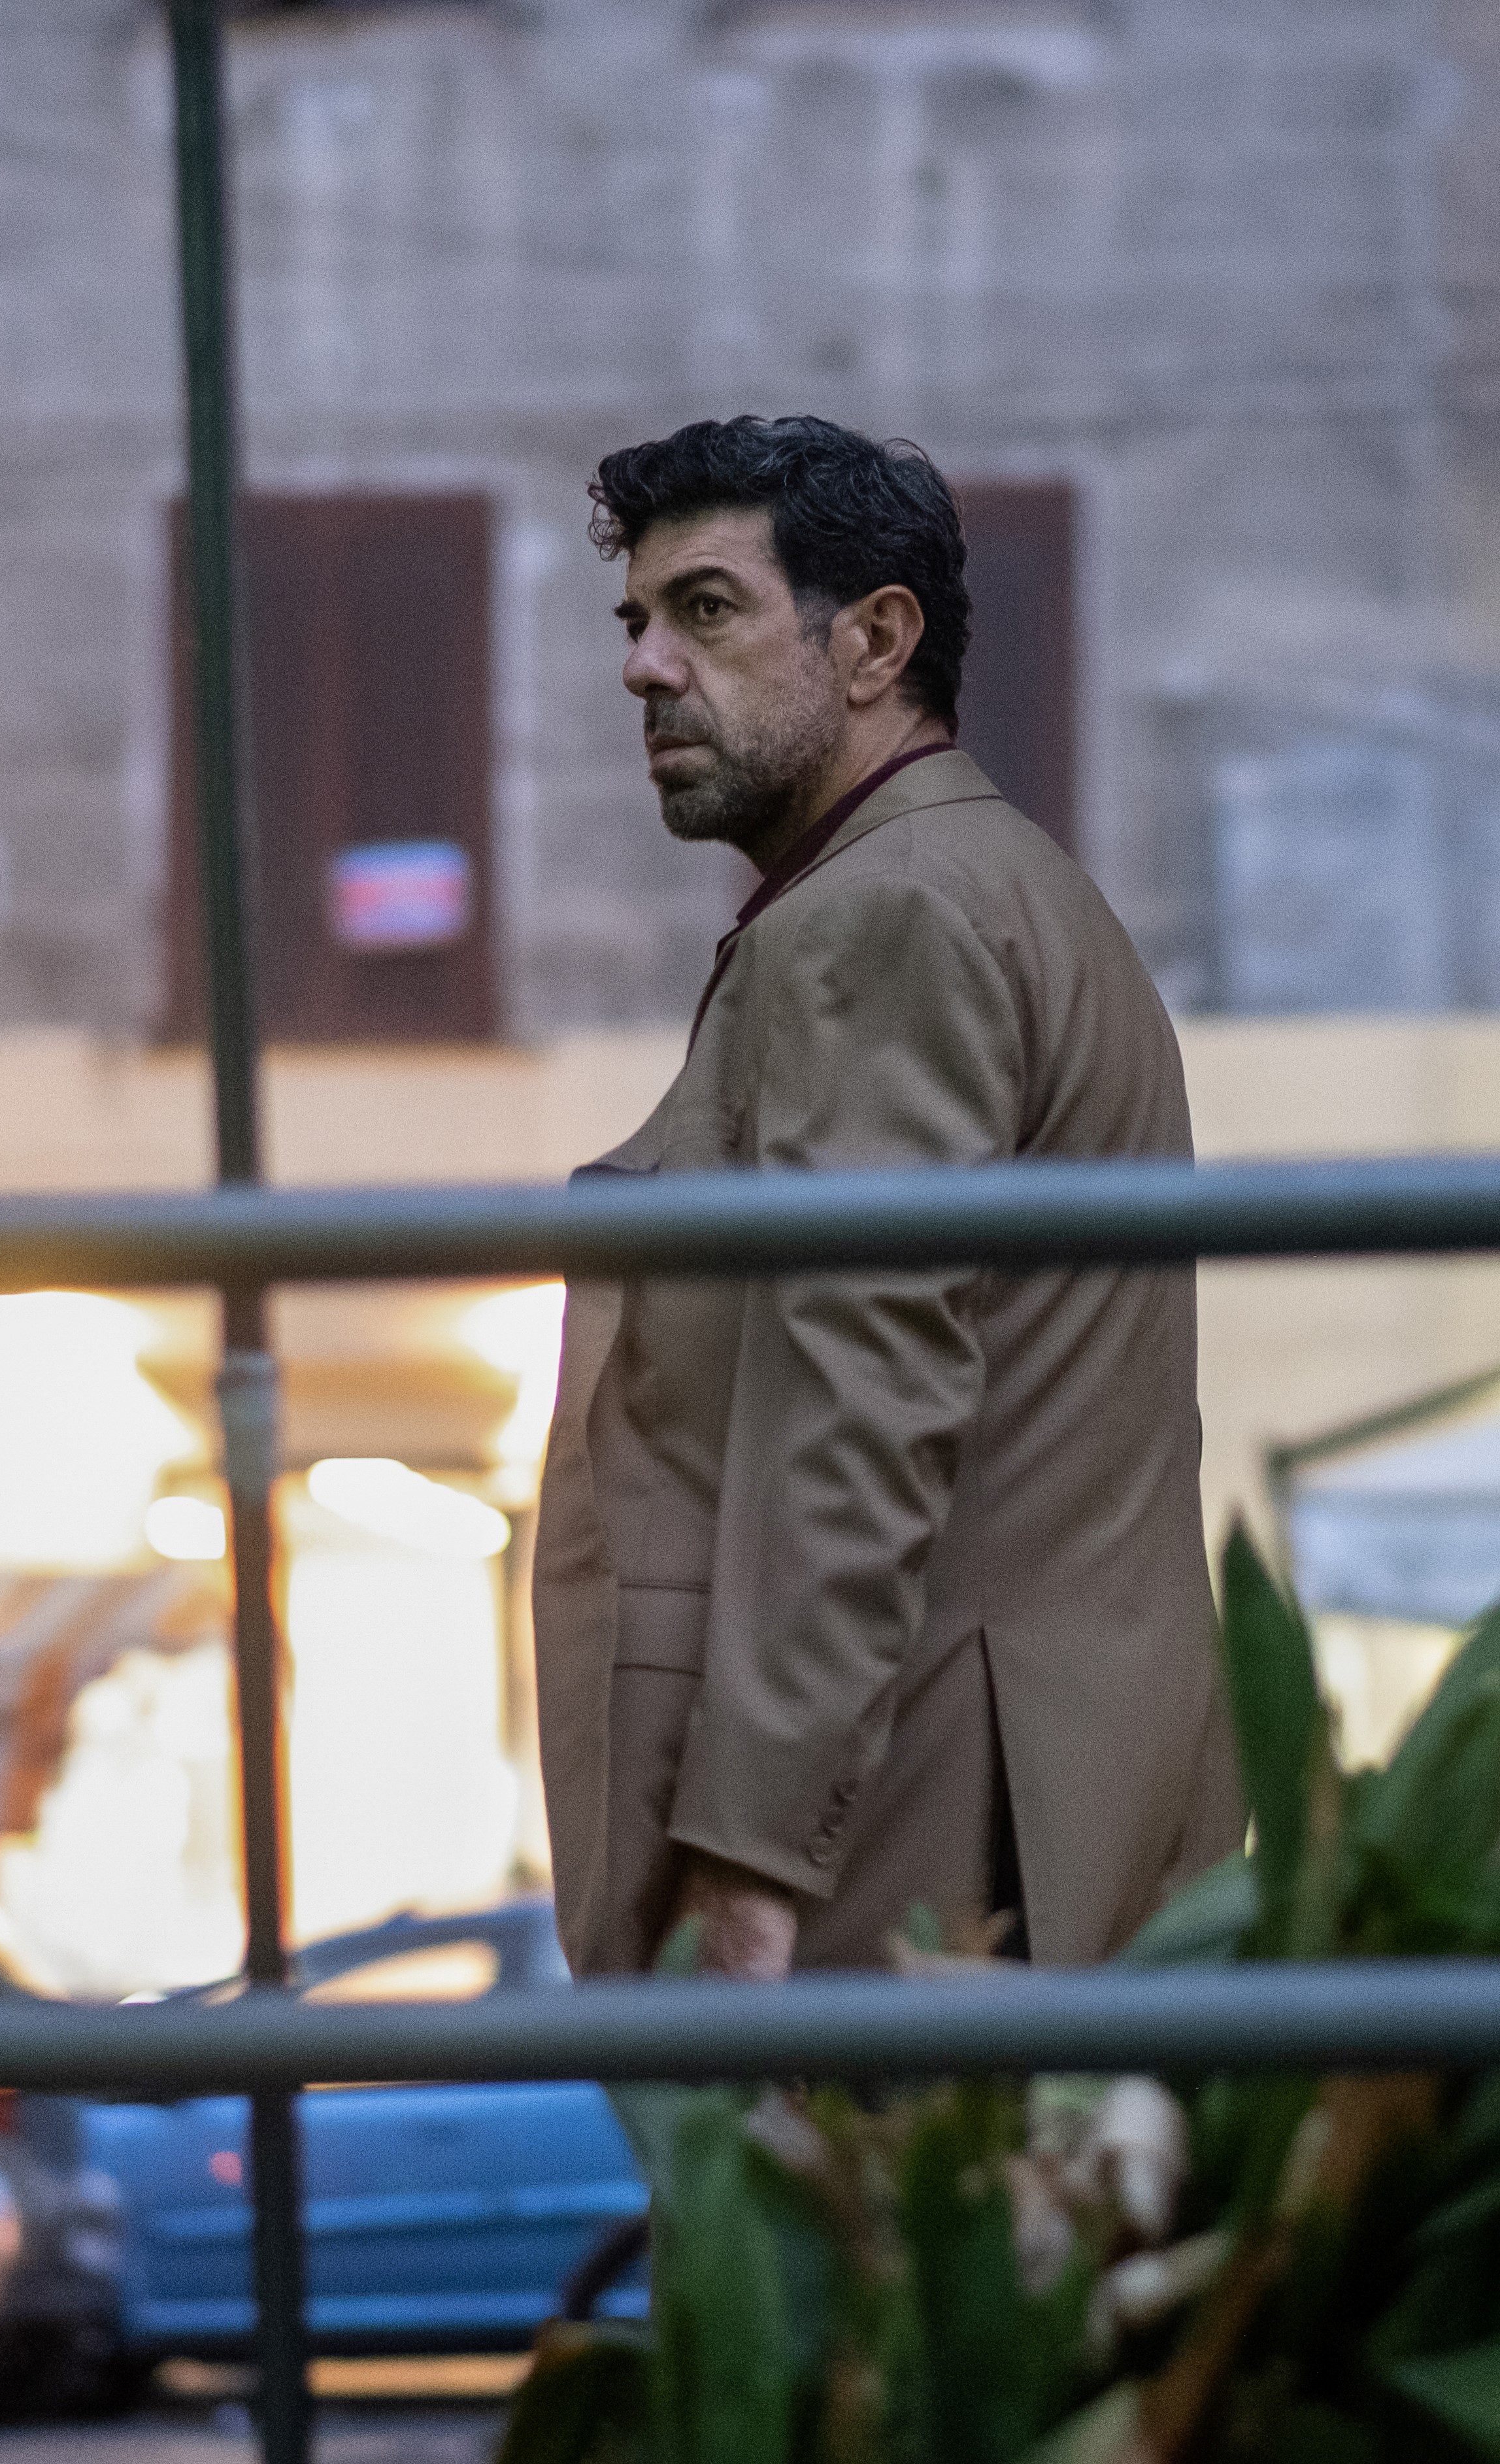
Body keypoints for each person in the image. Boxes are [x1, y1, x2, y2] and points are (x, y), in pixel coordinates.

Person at [531, 415, 1243, 1982]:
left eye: (706, 610)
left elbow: (858, 1398)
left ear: (875, 641)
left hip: (928, 1850)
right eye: (636, 621)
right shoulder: (997, 884)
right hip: (1030, 1815)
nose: (644, 666)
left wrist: (752, 1852)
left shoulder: (890, 914)